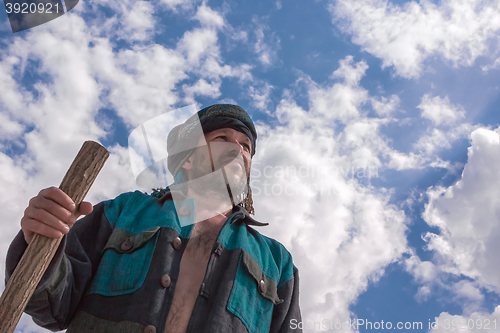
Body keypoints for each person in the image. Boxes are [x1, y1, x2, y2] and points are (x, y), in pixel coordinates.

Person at [5, 104, 302, 333]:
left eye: (246, 146)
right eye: (222, 138)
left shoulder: (277, 263)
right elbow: (50, 305)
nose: (237, 149)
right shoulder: (125, 212)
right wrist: (43, 242)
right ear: (187, 157)